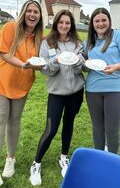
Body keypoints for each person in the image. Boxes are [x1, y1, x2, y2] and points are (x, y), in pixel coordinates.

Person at [29, 9, 85, 186]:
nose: (64, 26)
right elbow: (45, 69)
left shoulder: (77, 42)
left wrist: (76, 62)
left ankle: (64, 158)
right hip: (56, 93)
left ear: (71, 25)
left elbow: (81, 67)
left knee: (69, 124)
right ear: (56, 24)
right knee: (51, 129)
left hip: (76, 92)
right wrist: (57, 61)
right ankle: (36, 163)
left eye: (67, 23)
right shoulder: (48, 43)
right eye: (61, 22)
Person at [0, 0, 43, 185]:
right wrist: (22, 64)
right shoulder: (10, 27)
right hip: (2, 81)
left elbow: (42, 60)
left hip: (22, 85)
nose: (32, 14)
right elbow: (2, 53)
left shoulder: (39, 37)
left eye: (36, 12)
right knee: (1, 119)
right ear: (23, 12)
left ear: (40, 16)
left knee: (14, 120)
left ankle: (11, 159)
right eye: (29, 11)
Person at [84, 7, 120, 154]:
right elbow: (87, 66)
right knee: (98, 127)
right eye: (97, 21)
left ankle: (112, 160)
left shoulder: (119, 36)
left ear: (109, 21)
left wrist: (116, 67)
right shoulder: (88, 41)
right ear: (92, 23)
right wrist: (84, 65)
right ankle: (100, 157)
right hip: (93, 89)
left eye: (103, 20)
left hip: (117, 89)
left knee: (112, 129)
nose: (100, 24)